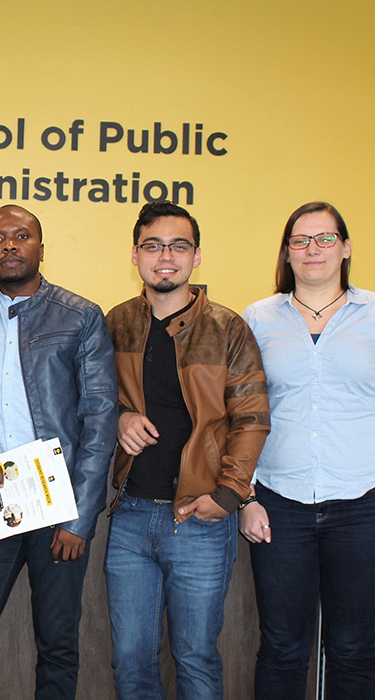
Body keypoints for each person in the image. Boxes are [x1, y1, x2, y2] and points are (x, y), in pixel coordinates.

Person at [240, 201, 375, 700]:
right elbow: (235, 418)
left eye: (325, 239)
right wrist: (245, 497)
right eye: (301, 240)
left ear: (346, 248)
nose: (313, 250)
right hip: (279, 503)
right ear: (286, 253)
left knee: (352, 647)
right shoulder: (258, 318)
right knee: (282, 647)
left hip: (365, 505)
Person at [0, 204, 118, 700]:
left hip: (59, 501)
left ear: (42, 247)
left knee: (58, 641)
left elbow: (100, 419)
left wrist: (79, 518)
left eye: (21, 236)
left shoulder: (80, 315)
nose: (10, 245)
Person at [104, 201, 270, 700]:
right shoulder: (115, 323)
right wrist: (119, 418)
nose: (166, 257)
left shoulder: (227, 328)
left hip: (198, 517)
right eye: (153, 246)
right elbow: (87, 401)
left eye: (179, 246)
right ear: (135, 255)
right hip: (131, 516)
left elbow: (252, 418)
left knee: (195, 658)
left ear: (196, 256)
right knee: (131, 660)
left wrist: (228, 494)